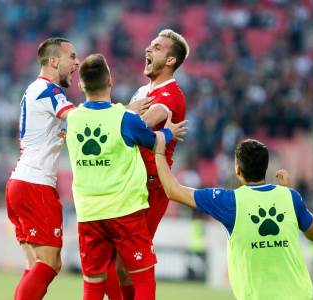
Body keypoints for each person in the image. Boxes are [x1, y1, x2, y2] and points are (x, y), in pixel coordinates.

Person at [65, 53, 187, 300]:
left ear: (80, 85)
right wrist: (169, 132)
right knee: (143, 278)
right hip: (125, 212)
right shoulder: (125, 118)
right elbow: (155, 142)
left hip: (88, 214)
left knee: (93, 285)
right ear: (110, 82)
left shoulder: (73, 118)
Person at [154, 136, 313, 300]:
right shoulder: (289, 196)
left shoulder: (229, 202)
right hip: (300, 295)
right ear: (266, 167)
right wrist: (289, 196)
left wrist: (159, 152)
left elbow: (173, 190)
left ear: (237, 169)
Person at [111, 28, 190, 299]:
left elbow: (141, 125)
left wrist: (122, 113)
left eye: (156, 47)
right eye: (150, 44)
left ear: (170, 60)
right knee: (115, 262)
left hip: (151, 184)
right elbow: (126, 123)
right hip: (129, 180)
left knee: (133, 261)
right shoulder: (143, 90)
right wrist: (125, 112)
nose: (148, 49)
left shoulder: (171, 95)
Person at [5, 37, 80, 300]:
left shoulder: (33, 90)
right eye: (72, 57)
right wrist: (123, 111)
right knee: (50, 263)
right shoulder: (49, 91)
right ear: (53, 61)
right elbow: (80, 118)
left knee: (34, 264)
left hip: (20, 181)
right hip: (35, 184)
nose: (77, 62)